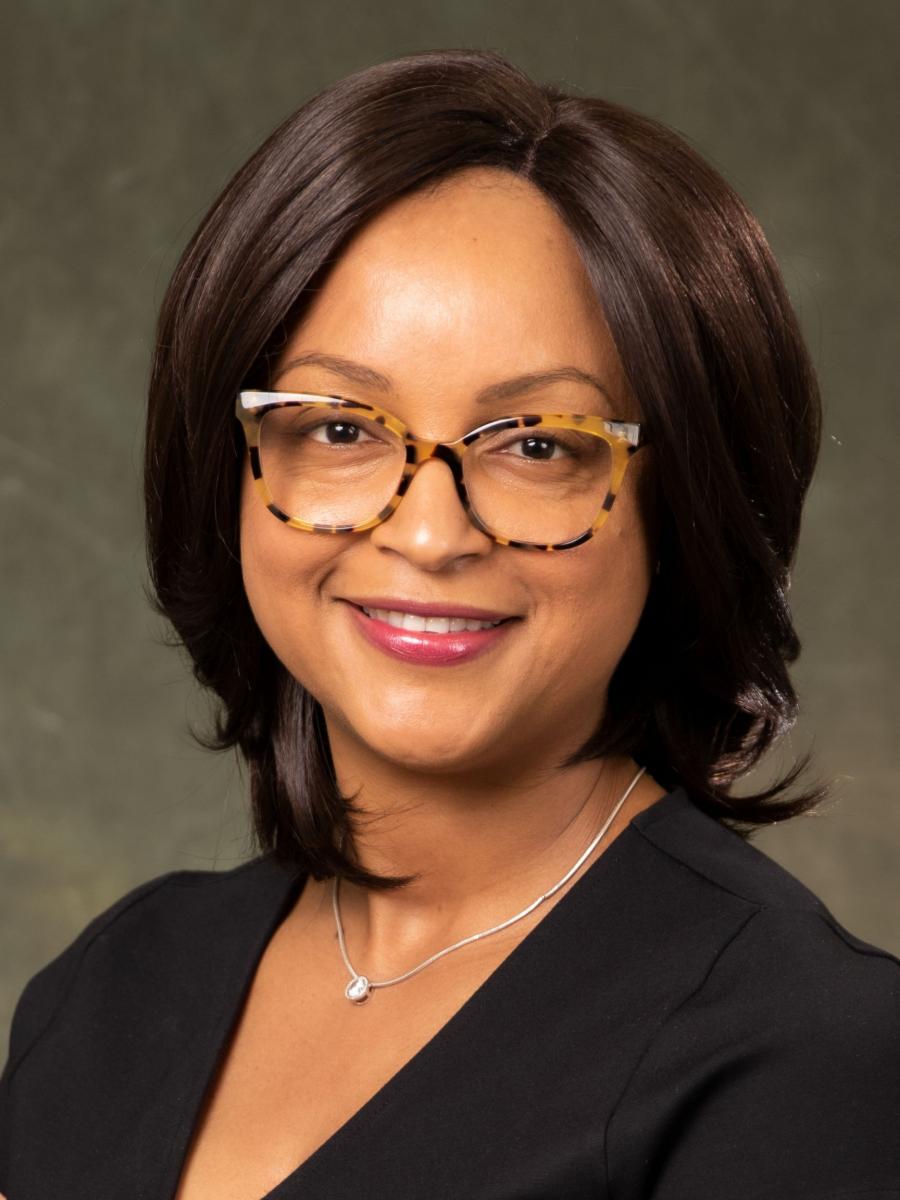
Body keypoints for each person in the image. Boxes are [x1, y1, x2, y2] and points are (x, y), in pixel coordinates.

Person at [1, 47, 898, 1200]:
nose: (430, 535)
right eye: (339, 428)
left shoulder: (808, 1057)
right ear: (229, 472)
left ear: (687, 507)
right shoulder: (110, 991)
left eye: (539, 445)